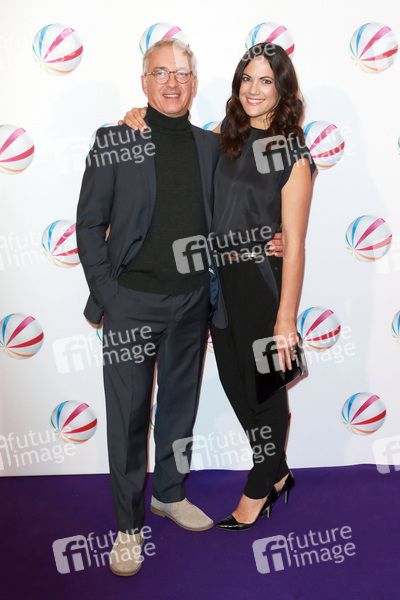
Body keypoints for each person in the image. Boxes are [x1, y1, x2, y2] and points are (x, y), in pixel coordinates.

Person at [123, 42, 315, 531]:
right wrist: (135, 117)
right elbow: (174, 142)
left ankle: (260, 486)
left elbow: (293, 244)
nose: (254, 89)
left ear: (282, 89)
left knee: (265, 392)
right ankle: (277, 471)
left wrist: (286, 319)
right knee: (236, 386)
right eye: (247, 78)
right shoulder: (220, 139)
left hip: (261, 283)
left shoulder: (291, 152)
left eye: (266, 80)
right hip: (216, 282)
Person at [76, 39, 220, 576]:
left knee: (179, 411)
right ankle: (127, 527)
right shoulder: (116, 139)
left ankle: (170, 493)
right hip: (130, 304)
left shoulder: (212, 147)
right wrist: (110, 295)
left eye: (182, 73)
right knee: (128, 420)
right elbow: (89, 224)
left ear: (194, 82)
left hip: (192, 303)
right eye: (161, 72)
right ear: (144, 82)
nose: (172, 82)